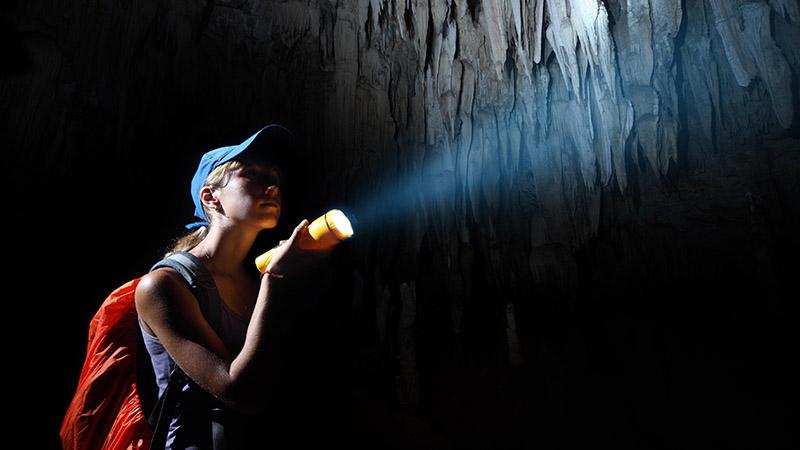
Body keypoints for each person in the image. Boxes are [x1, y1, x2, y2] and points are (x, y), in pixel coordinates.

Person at [135, 124, 328, 449]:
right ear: (211, 197)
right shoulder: (164, 285)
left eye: (275, 176)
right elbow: (238, 390)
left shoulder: (253, 283)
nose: (272, 185)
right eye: (252, 173)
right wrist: (276, 281)